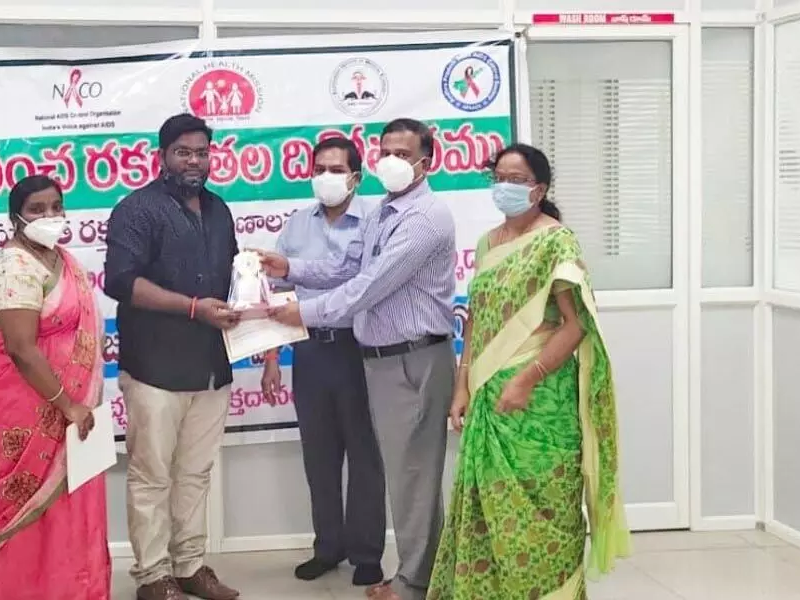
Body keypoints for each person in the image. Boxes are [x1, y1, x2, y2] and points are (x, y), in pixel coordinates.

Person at [262, 118, 456, 600]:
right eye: (385, 150)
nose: (391, 160)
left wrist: (299, 312)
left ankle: (414, 582)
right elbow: (347, 267)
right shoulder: (385, 213)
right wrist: (290, 269)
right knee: (406, 476)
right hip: (382, 362)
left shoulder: (424, 217)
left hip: (414, 360)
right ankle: (419, 574)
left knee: (412, 477)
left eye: (402, 153)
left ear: (425, 162)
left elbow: (369, 286)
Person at [427, 144, 631, 599]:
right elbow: (476, 319)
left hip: (540, 402)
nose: (506, 187)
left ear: (539, 189)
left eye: (517, 180)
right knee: (489, 514)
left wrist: (527, 377)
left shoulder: (556, 240)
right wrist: (461, 384)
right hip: (488, 399)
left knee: (544, 513)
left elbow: (577, 325)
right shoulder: (486, 244)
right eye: (499, 176)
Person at [104, 113, 241, 600]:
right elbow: (121, 282)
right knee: (151, 474)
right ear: (162, 156)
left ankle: (189, 566)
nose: (194, 161)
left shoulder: (220, 210)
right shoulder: (137, 210)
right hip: (155, 368)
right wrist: (191, 308)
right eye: (183, 152)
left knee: (195, 473)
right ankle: (152, 575)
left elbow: (235, 277)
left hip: (210, 368)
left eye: (202, 152)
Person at [0, 174, 110, 600]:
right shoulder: (14, 266)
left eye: (56, 206)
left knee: (74, 508)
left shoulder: (61, 259)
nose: (50, 215)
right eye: (37, 209)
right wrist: (67, 405)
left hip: (73, 405)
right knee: (33, 516)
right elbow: (21, 349)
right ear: (16, 217)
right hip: (26, 405)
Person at [260, 137, 386, 586]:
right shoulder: (296, 224)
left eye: (336, 169)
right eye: (320, 168)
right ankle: (327, 546)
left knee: (366, 454)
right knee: (319, 455)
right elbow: (277, 292)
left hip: (360, 349)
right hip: (309, 350)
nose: (326, 177)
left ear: (356, 176)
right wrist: (273, 357)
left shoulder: (376, 220)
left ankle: (367, 552)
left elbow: (356, 279)